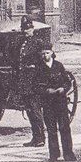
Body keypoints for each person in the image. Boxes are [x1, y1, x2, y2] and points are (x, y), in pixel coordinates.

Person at [36, 47, 77, 160]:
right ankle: (54, 154)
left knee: (64, 127)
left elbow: (67, 82)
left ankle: (68, 153)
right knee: (51, 129)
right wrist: (45, 91)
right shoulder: (39, 68)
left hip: (60, 101)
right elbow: (36, 86)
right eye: (43, 53)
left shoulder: (59, 66)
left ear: (52, 53)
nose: (45, 56)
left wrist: (63, 89)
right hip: (48, 102)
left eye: (47, 53)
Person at [16, 17, 48, 148]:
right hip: (25, 80)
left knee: (35, 109)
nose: (26, 31)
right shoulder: (22, 42)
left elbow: (46, 60)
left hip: (34, 80)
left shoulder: (38, 43)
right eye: (24, 29)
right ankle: (35, 137)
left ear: (33, 29)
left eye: (28, 29)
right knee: (29, 109)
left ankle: (41, 137)